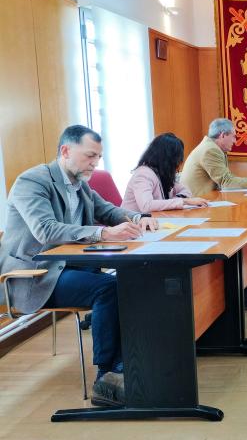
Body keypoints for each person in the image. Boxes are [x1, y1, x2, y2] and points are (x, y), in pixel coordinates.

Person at [0, 125, 159, 407]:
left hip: (67, 267)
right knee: (108, 289)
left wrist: (138, 218)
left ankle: (129, 365)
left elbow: (108, 211)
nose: (95, 163)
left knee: (133, 278)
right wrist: (103, 234)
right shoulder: (32, 182)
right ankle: (107, 377)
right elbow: (46, 231)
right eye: (90, 156)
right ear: (65, 151)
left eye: (98, 157)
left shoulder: (79, 184)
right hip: (34, 275)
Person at [181, 118, 247, 196]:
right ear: (222, 135)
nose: (235, 141)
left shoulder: (212, 147)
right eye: (233, 136)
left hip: (204, 201)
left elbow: (226, 180)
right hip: (196, 206)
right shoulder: (210, 150)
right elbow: (227, 182)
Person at [122, 133, 209, 212]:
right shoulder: (143, 174)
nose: (178, 164)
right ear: (168, 159)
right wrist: (183, 201)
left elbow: (185, 190)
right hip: (132, 224)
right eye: (176, 160)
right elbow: (146, 206)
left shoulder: (162, 173)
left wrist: (177, 200)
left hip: (157, 220)